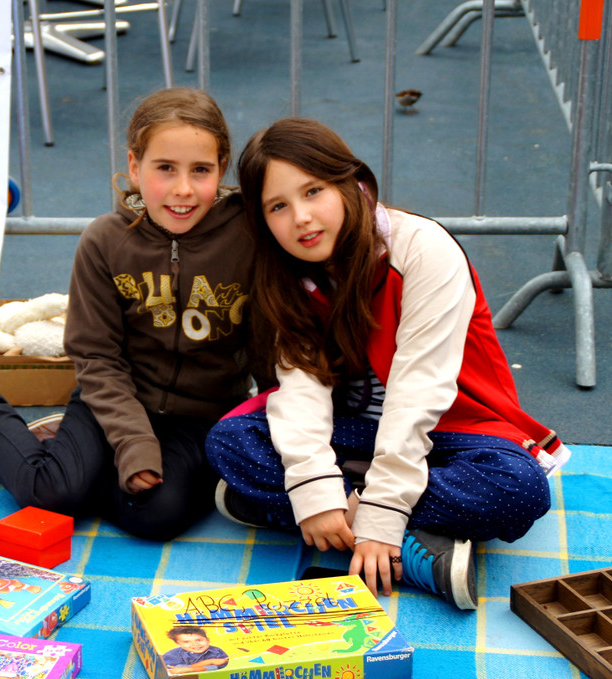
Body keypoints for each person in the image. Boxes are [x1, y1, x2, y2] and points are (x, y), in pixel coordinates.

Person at [206, 118, 572, 610]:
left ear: (350, 182)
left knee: (519, 490)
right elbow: (302, 392)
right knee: (230, 441)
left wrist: (376, 511)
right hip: (354, 431)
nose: (301, 218)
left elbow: (419, 393)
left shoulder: (422, 248)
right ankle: (413, 542)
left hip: (453, 431)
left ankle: (332, 514)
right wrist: (319, 489)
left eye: (313, 191)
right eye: (278, 206)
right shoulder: (286, 274)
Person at [0, 87, 256, 541]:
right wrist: (132, 442)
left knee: (157, 516)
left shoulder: (248, 238)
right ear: (134, 167)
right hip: (114, 397)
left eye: (201, 170)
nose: (183, 189)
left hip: (200, 417)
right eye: (165, 168)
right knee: (54, 495)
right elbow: (97, 357)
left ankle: (54, 455)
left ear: (221, 167)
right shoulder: (105, 240)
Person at [162, 626, 229, 674]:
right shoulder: (172, 654)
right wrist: (209, 662)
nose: (195, 644)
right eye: (186, 642)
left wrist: (187, 669)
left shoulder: (216, 651)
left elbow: (221, 667)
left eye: (199, 640)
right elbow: (174, 669)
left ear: (208, 640)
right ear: (178, 644)